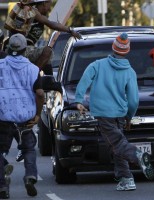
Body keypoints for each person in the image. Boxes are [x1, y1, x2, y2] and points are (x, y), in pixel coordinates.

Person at [74, 33, 154, 191]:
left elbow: (84, 81)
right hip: (121, 114)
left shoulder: (97, 65)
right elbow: (133, 100)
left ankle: (137, 155)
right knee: (117, 145)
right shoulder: (130, 71)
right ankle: (126, 179)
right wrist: (129, 117)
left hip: (104, 114)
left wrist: (78, 100)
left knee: (117, 144)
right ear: (127, 51)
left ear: (113, 48)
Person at [0, 33, 44, 198]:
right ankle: (30, 176)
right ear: (26, 50)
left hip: (3, 118)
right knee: (29, 149)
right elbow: (39, 93)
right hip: (25, 119)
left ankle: (2, 187)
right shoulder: (33, 70)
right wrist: (38, 115)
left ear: (8, 48)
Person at [4, 0, 81, 73]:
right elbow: (52, 25)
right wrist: (70, 30)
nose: (49, 8)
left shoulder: (30, 12)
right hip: (23, 50)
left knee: (46, 60)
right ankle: (33, 75)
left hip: (16, 49)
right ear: (44, 3)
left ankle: (48, 79)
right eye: (49, 5)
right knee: (48, 52)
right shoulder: (34, 12)